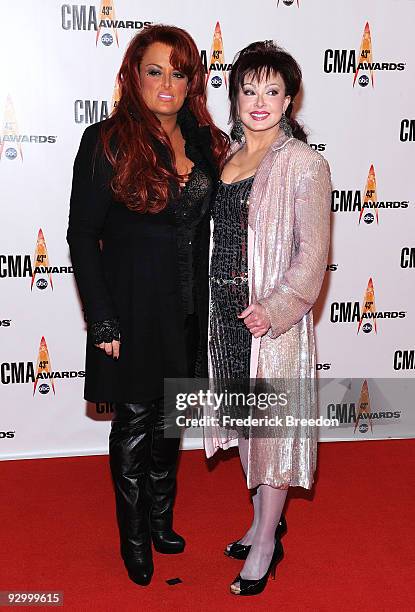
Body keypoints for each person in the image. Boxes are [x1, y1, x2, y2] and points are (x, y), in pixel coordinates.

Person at [67, 24, 228, 586]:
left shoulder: (205, 141)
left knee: (171, 422)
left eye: (179, 73)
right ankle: (134, 538)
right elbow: (82, 235)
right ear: (134, 77)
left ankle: (161, 520)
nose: (167, 84)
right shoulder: (105, 140)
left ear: (192, 82)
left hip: (189, 307)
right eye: (155, 71)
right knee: (135, 425)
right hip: (133, 307)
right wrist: (102, 316)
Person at [204, 40, 331, 596]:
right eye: (249, 89)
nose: (260, 100)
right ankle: (262, 521)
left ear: (288, 101)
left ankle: (264, 542)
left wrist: (276, 310)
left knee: (272, 434)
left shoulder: (305, 164)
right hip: (225, 319)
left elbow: (312, 256)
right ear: (234, 96)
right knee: (248, 430)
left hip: (269, 325)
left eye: (271, 90)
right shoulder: (224, 160)